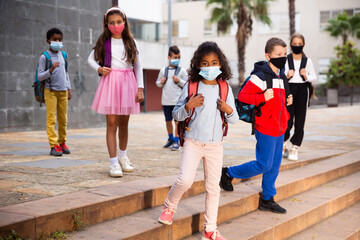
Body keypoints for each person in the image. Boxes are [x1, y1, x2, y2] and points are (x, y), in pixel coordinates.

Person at [158, 41, 238, 240]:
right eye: (205, 63)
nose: (210, 67)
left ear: (220, 64)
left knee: (213, 188)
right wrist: (188, 105)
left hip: (215, 145)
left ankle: (210, 229)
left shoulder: (225, 87)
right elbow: (176, 115)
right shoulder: (191, 85)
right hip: (193, 142)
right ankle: (169, 206)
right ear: (198, 65)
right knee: (185, 180)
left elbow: (234, 118)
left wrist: (228, 110)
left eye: (214, 62)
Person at [220, 37, 293, 214]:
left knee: (274, 166)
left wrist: (288, 102)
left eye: (284, 54)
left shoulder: (282, 76)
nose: (282, 57)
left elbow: (279, 101)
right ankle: (229, 173)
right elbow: (243, 97)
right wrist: (262, 97)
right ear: (268, 56)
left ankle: (267, 198)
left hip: (280, 127)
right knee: (264, 165)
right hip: (265, 127)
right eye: (278, 54)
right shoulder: (259, 76)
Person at [88, 6, 144, 177]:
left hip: (128, 83)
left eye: (119, 22)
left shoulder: (130, 42)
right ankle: (113, 163)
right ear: (107, 25)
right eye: (111, 23)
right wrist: (99, 69)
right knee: (111, 124)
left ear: (124, 23)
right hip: (110, 83)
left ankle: (123, 156)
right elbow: (90, 59)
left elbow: (138, 65)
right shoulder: (103, 42)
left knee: (124, 124)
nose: (116, 25)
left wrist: (140, 88)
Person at [37, 28, 72, 157]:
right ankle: (53, 145)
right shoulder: (44, 57)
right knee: (51, 119)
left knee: (63, 120)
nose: (57, 42)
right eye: (54, 39)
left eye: (59, 40)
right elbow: (40, 76)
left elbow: (66, 73)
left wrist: (69, 88)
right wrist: (50, 70)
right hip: (51, 91)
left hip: (63, 91)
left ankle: (62, 142)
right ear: (48, 41)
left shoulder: (64, 55)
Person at [283, 33, 317, 161]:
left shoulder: (307, 61)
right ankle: (283, 144)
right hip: (289, 89)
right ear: (290, 45)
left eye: (299, 44)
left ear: (303, 45)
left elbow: (314, 76)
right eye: (294, 44)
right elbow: (280, 76)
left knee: (300, 120)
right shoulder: (286, 59)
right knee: (287, 118)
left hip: (303, 89)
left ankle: (295, 147)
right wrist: (287, 75)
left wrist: (306, 76)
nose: (297, 46)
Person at [156, 46, 188, 151]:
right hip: (166, 101)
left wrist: (178, 80)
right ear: (169, 57)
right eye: (175, 57)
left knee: (177, 122)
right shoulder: (163, 70)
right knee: (168, 121)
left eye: (178, 57)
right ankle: (170, 138)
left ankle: (176, 140)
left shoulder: (182, 71)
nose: (177, 59)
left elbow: (187, 85)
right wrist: (161, 82)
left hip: (177, 101)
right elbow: (158, 84)